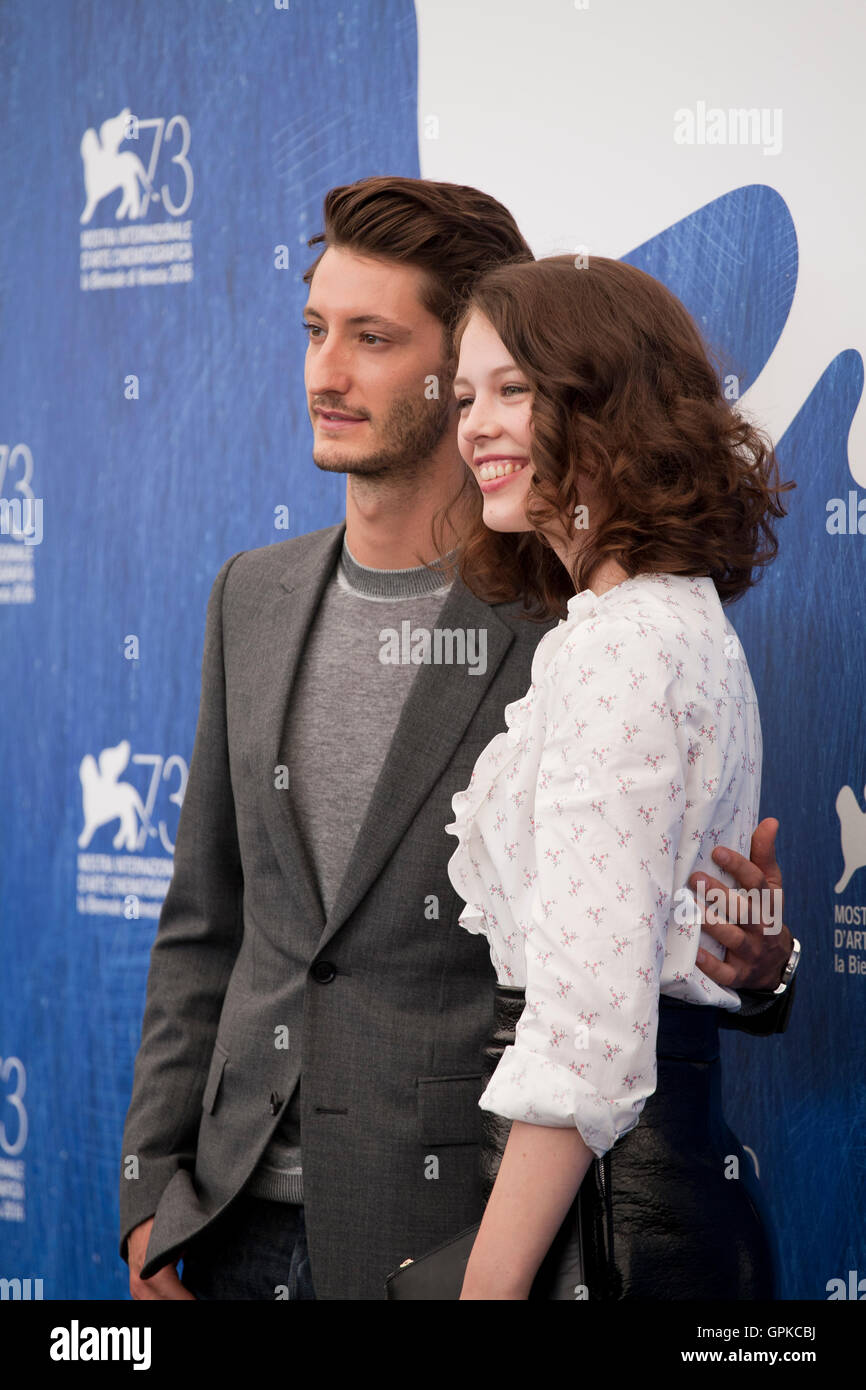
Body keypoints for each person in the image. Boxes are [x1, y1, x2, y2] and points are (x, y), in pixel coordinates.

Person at [119, 177, 799, 1302]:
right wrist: (150, 1193)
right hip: (230, 1218)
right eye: (315, 330)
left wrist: (758, 966)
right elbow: (206, 919)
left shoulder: (576, 619)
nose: (323, 373)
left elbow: (610, 984)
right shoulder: (251, 595)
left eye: (372, 338)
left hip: (451, 1224)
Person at [439, 253, 794, 1300]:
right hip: (644, 1203)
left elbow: (587, 1040)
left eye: (512, 390)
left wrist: (484, 1290)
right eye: (463, 396)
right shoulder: (658, 621)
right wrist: (753, 960)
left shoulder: (621, 645)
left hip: (604, 1224)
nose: (473, 426)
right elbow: (672, 937)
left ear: (607, 403)